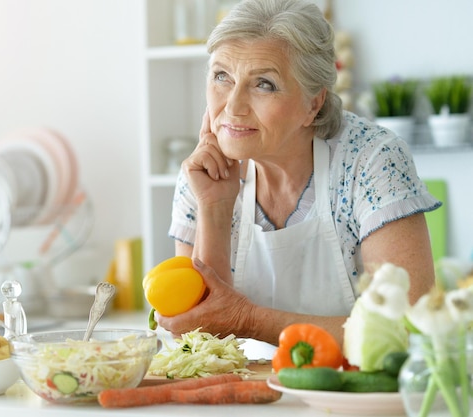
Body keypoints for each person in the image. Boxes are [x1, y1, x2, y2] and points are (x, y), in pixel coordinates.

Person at [156, 0, 440, 346]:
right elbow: (197, 338)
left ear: (313, 104)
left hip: (349, 393)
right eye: (221, 76)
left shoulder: (371, 161)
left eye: (263, 84)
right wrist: (214, 207)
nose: (232, 107)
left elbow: (409, 327)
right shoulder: (203, 173)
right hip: (245, 394)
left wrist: (250, 320)